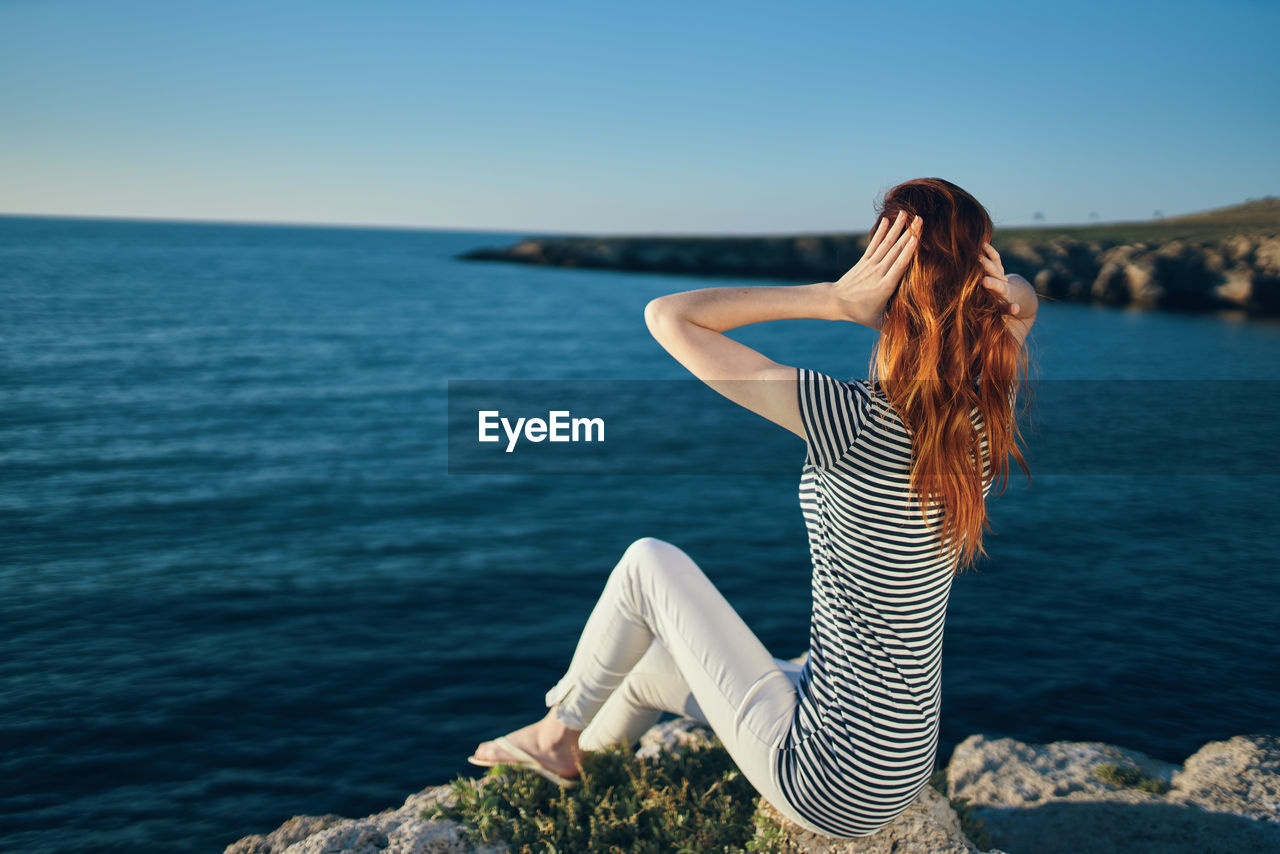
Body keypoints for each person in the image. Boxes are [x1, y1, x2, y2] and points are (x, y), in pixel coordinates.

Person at [468, 178, 1037, 838]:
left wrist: (830, 299)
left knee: (647, 563)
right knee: (649, 673)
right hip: (904, 758)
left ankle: (550, 732)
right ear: (976, 282)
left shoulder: (849, 417)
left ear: (887, 285)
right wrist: (1003, 291)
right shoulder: (982, 416)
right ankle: (582, 761)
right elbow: (1022, 307)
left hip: (828, 779)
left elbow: (667, 316)